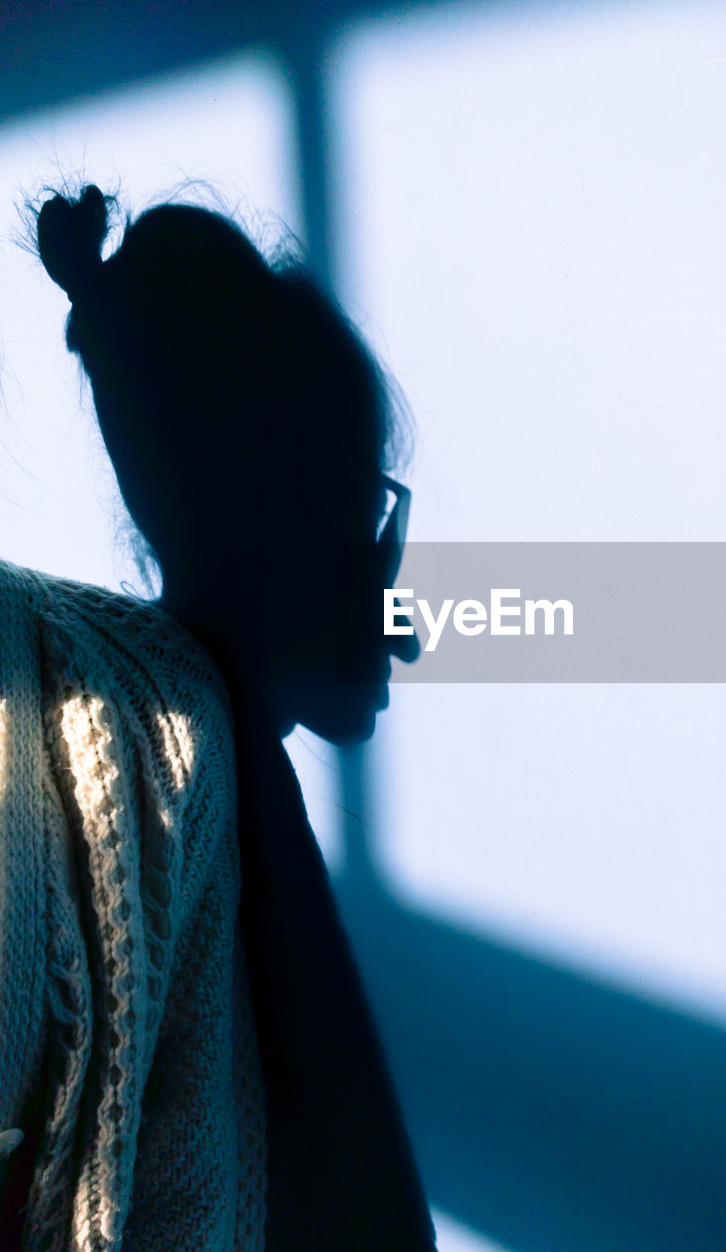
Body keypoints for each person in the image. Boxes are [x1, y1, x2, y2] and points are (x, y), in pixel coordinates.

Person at [0, 183, 435, 1250]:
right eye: (379, 510)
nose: (410, 619)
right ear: (298, 497)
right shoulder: (129, 724)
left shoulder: (196, 765)